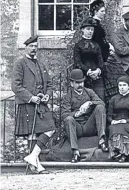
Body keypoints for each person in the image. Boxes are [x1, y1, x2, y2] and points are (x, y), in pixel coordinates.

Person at [12, 36, 56, 174]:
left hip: (41, 104)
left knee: (50, 128)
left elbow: (48, 84)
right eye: (31, 46)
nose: (34, 48)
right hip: (28, 103)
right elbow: (16, 86)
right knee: (32, 135)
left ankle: (32, 156)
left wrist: (47, 95)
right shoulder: (20, 63)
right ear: (26, 47)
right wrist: (31, 98)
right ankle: (36, 166)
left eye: (36, 46)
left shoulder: (41, 64)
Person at [61, 69, 109, 163]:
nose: (80, 85)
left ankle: (102, 140)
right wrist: (76, 114)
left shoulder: (89, 92)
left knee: (100, 107)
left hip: (89, 126)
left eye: (82, 82)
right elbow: (64, 115)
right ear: (71, 84)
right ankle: (75, 151)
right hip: (77, 128)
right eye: (77, 83)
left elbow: (102, 103)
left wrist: (90, 103)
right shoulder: (67, 97)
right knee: (69, 119)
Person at [73, 17, 105, 101]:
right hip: (83, 76)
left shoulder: (96, 45)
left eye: (92, 29)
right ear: (82, 30)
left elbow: (100, 60)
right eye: (88, 29)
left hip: (97, 76)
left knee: (100, 99)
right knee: (85, 100)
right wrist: (88, 72)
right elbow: (77, 62)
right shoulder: (78, 45)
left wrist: (98, 70)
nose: (90, 31)